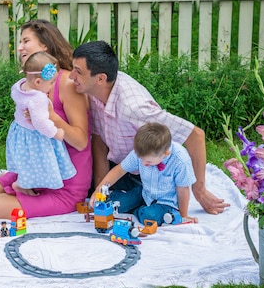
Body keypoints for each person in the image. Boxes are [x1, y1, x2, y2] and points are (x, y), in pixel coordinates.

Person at [70, 41, 229, 215]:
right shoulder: (94, 92)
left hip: (149, 173)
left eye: (78, 72)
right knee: (81, 184)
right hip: (122, 167)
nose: (71, 76)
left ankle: (155, 198)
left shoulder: (134, 108)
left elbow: (195, 135)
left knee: (125, 208)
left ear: (101, 78)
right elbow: (99, 139)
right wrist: (101, 191)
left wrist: (200, 191)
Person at [0, 19, 92, 220]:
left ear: (44, 45)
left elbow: (82, 142)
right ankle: (21, 188)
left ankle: (21, 191)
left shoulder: (64, 82)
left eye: (26, 41)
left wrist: (52, 117)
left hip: (64, 181)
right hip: (34, 170)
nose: (20, 47)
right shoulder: (29, 86)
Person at [90, 122, 199, 225]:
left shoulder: (180, 161)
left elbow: (183, 189)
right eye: (141, 159)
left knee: (149, 216)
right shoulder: (143, 151)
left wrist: (183, 215)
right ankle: (131, 203)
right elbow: (119, 170)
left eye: (148, 161)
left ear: (165, 154)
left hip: (167, 203)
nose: (143, 163)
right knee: (114, 205)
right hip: (145, 192)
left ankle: (138, 210)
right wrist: (98, 190)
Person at [6, 51, 76, 192]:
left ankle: (23, 182)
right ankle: (23, 185)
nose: (52, 87)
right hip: (34, 136)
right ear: (38, 82)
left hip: (19, 132)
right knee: (41, 162)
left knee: (26, 161)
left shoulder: (19, 87)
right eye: (51, 83)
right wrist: (56, 133)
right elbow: (40, 122)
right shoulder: (38, 98)